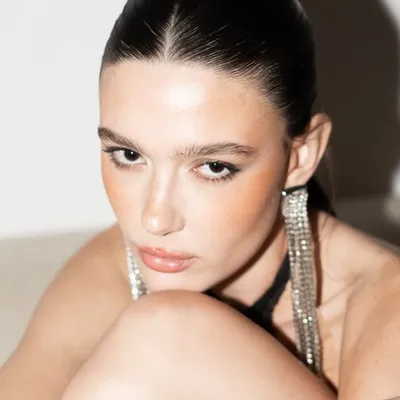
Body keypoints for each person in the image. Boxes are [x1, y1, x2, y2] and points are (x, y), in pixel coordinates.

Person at [1, 0, 400, 398]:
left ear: (300, 157)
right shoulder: (110, 272)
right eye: (129, 155)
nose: (155, 219)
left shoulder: (383, 307)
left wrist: (176, 330)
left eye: (213, 166)